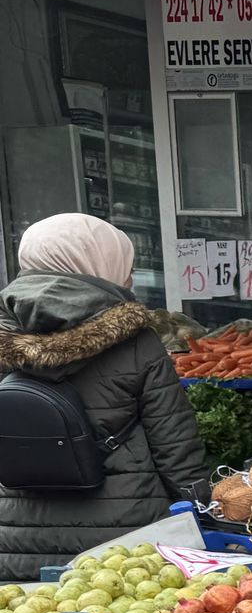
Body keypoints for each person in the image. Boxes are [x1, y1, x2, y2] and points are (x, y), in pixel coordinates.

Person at [0, 213, 208, 578]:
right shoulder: (136, 341)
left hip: (15, 539)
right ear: (97, 263)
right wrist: (201, 509)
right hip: (122, 546)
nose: (128, 277)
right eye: (124, 265)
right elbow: (175, 445)